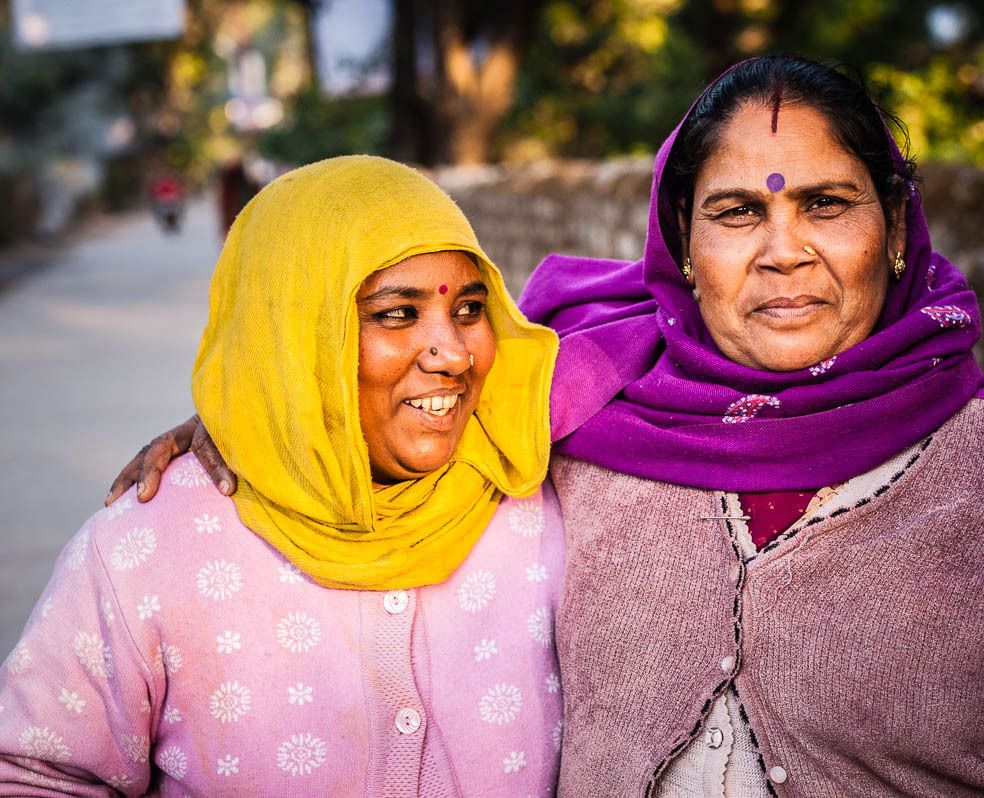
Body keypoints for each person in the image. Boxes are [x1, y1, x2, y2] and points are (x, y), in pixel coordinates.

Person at [106, 56, 984, 796]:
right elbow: (392, 395)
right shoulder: (577, 416)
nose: (784, 251)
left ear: (899, 230)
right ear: (681, 246)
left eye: (827, 204)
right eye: (737, 212)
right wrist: (236, 429)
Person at [0, 156, 563, 795]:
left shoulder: (539, 500)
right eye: (396, 314)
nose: (455, 354)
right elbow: (34, 776)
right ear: (296, 336)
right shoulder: (146, 551)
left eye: (470, 308)